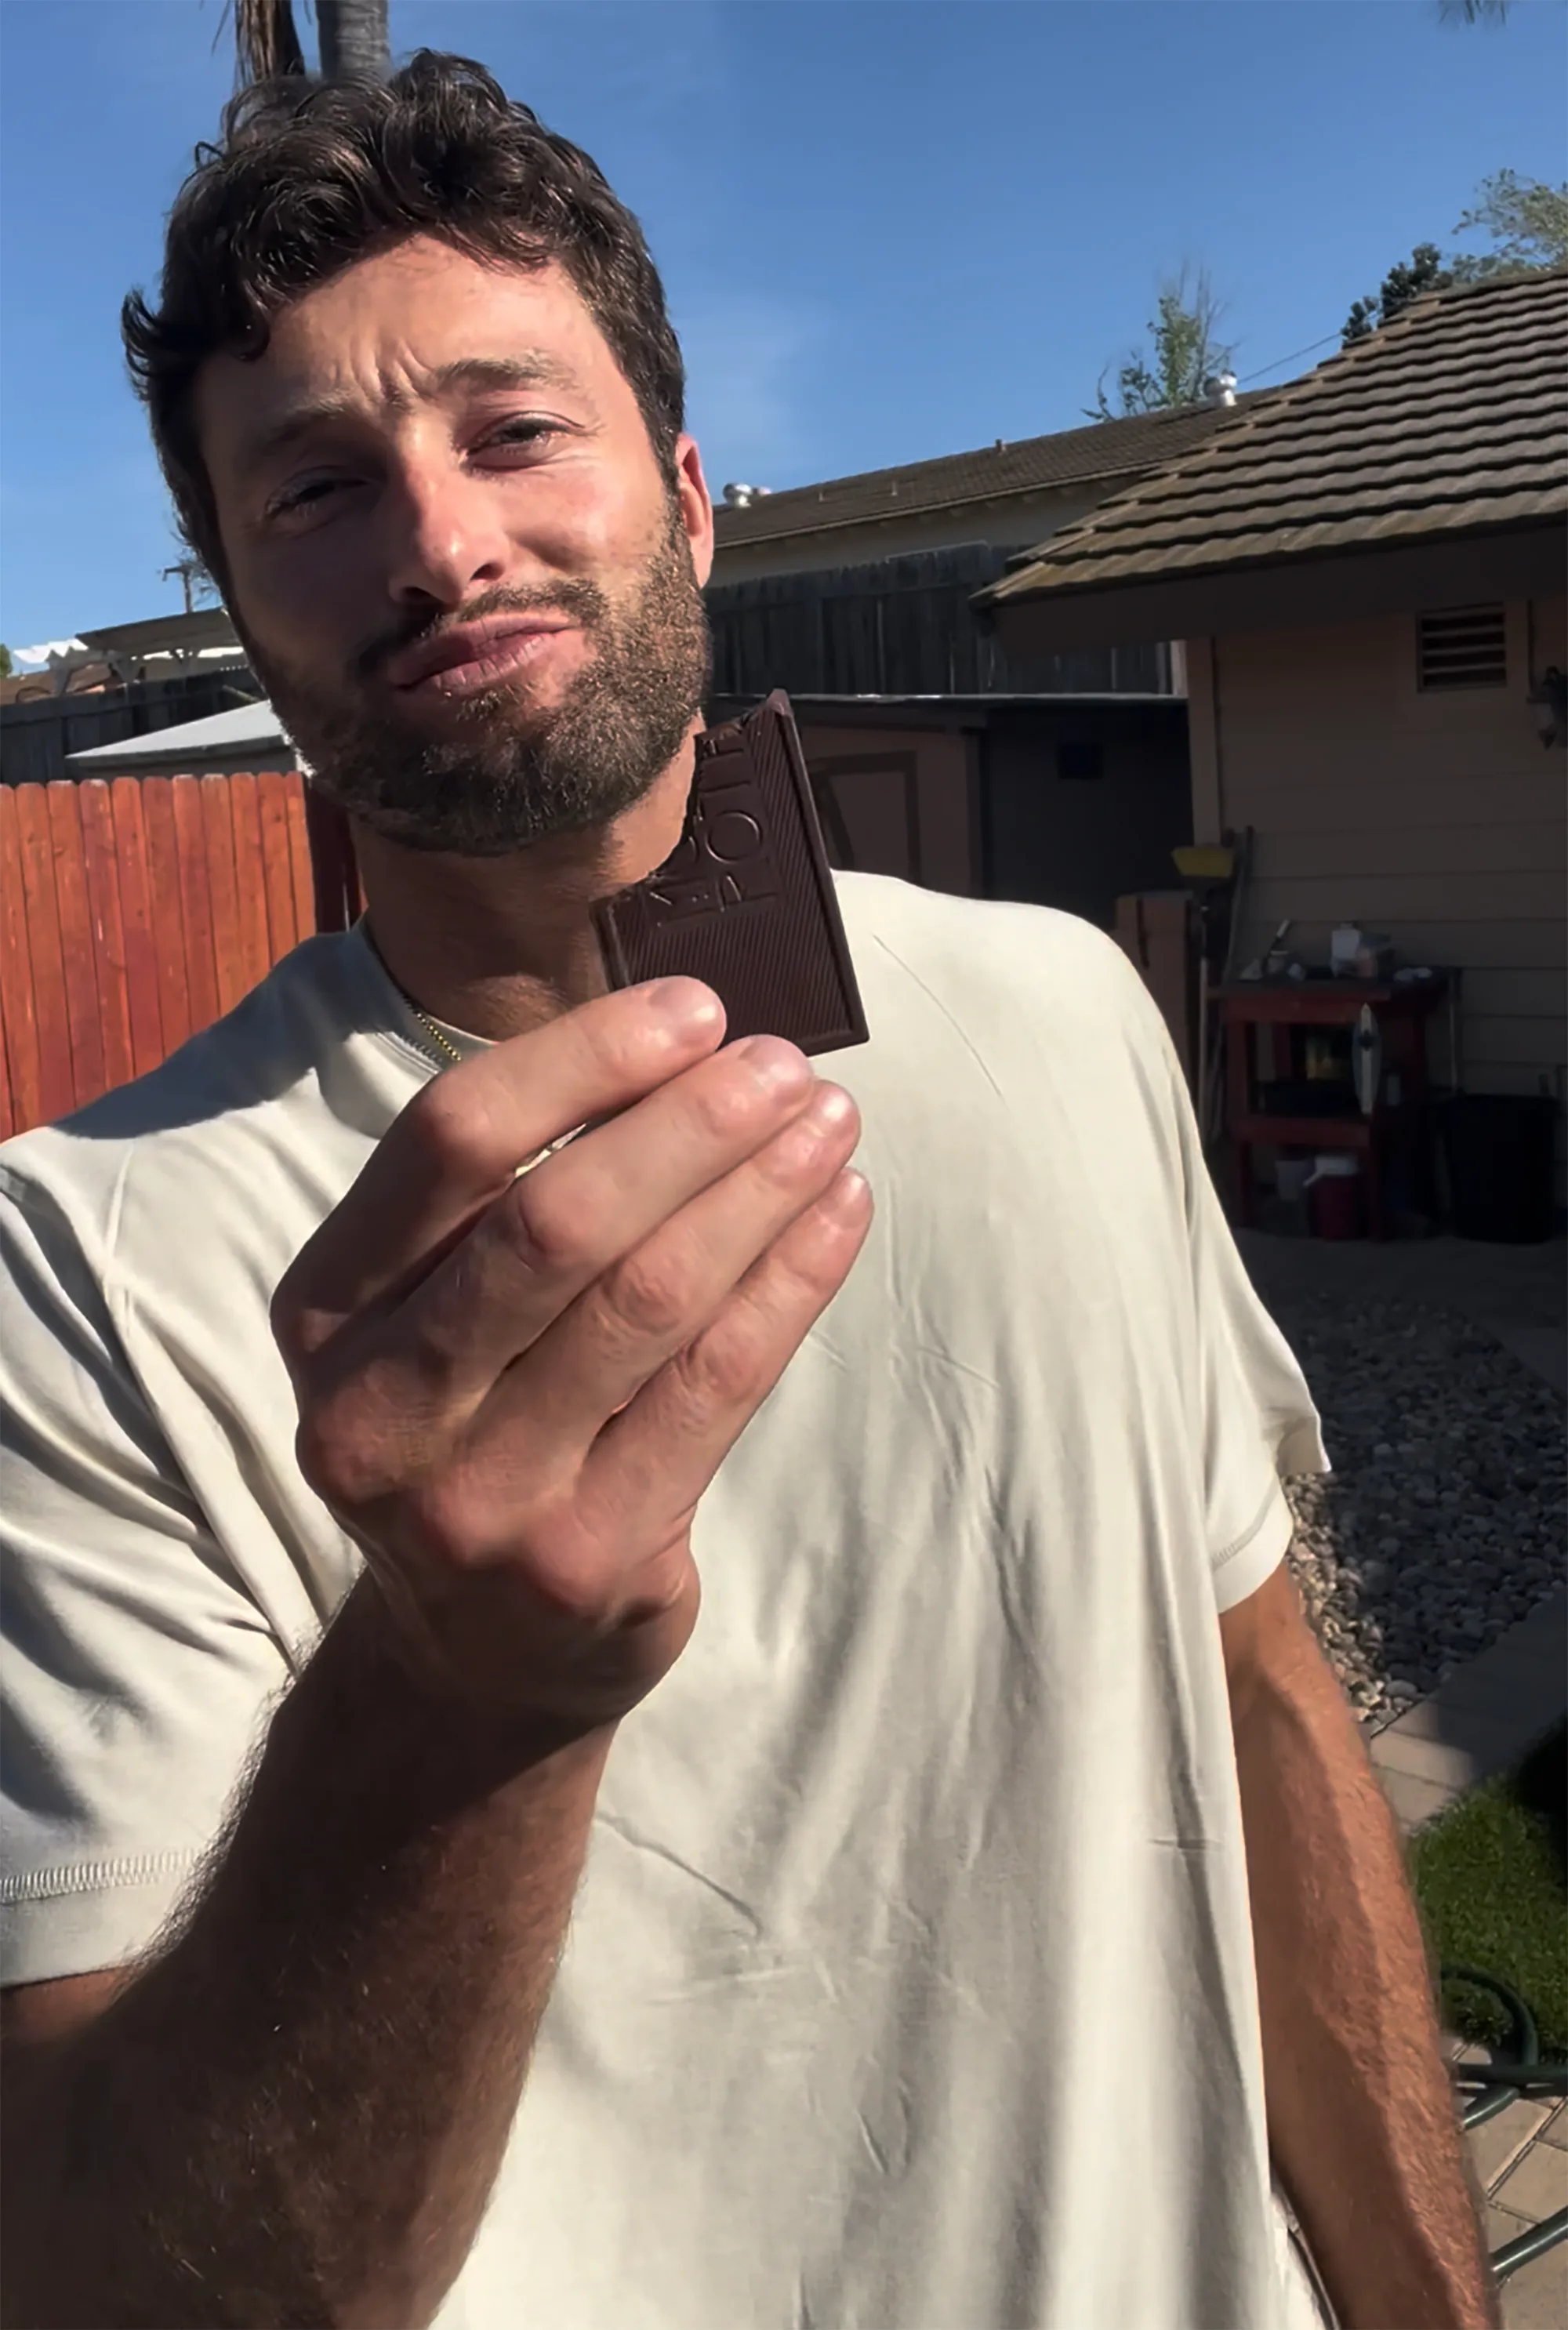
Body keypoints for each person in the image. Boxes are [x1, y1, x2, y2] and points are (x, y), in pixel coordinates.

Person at [0, 53, 1496, 2330]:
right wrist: (452, 1700)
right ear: (235, 606)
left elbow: (1261, 1692)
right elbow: (116, 2272)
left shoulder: (1065, 1010)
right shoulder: (80, 1265)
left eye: (515, 429)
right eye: (316, 489)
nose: (440, 538)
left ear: (693, 502)